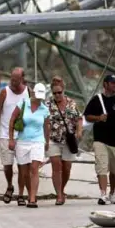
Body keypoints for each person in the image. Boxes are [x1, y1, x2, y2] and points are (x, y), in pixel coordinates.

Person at [84, 74, 115, 205]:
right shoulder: (96, 100)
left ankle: (112, 193)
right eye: (113, 83)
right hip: (100, 139)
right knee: (102, 166)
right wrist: (98, 118)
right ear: (105, 84)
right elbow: (87, 116)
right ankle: (103, 194)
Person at [0, 67, 30, 204]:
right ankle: (9, 185)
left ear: (22, 79)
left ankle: (20, 194)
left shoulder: (28, 92)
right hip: (5, 134)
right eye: (11, 79)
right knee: (7, 165)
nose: (12, 82)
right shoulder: (4, 92)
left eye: (15, 80)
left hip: (23, 135)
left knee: (22, 166)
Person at [8, 83, 50, 208]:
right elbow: (12, 120)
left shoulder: (44, 109)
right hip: (22, 141)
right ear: (33, 93)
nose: (39, 98)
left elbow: (46, 127)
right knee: (23, 172)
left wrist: (46, 142)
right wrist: (11, 139)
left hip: (38, 141)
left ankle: (32, 199)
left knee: (34, 169)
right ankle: (22, 194)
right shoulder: (23, 103)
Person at [46, 76, 82, 205]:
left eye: (59, 92)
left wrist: (79, 131)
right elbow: (44, 121)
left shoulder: (72, 103)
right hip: (53, 139)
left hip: (68, 140)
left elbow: (79, 118)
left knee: (67, 167)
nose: (57, 95)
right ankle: (59, 195)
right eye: (54, 93)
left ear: (63, 90)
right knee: (56, 166)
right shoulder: (48, 104)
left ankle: (61, 189)